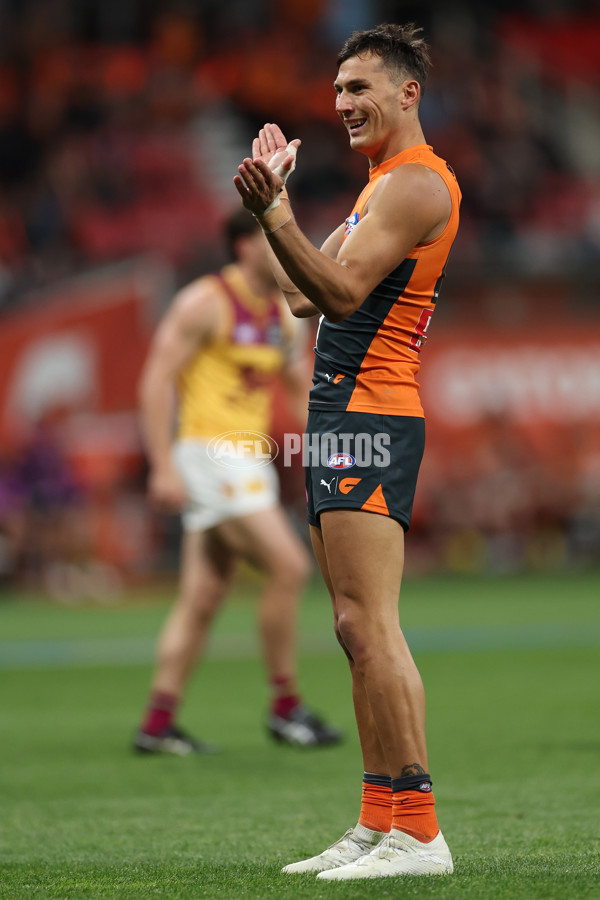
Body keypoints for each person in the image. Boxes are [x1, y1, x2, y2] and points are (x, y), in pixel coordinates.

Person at [234, 23, 460, 881]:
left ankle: (422, 832)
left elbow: (341, 288)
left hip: (373, 414)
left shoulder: (415, 186)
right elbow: (298, 295)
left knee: (373, 623)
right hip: (339, 417)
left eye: (360, 88)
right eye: (336, 92)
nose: (343, 106)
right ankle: (377, 819)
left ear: (408, 93)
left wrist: (276, 210)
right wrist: (272, 207)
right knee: (350, 628)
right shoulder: (376, 191)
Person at [133, 207, 342, 754]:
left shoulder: (286, 312)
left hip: (248, 461)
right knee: (289, 566)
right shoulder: (204, 302)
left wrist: (325, 452)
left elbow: (298, 390)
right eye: (271, 237)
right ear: (244, 246)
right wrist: (162, 462)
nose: (284, 246)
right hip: (209, 454)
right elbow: (156, 380)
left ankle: (158, 722)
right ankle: (286, 707)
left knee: (202, 595)